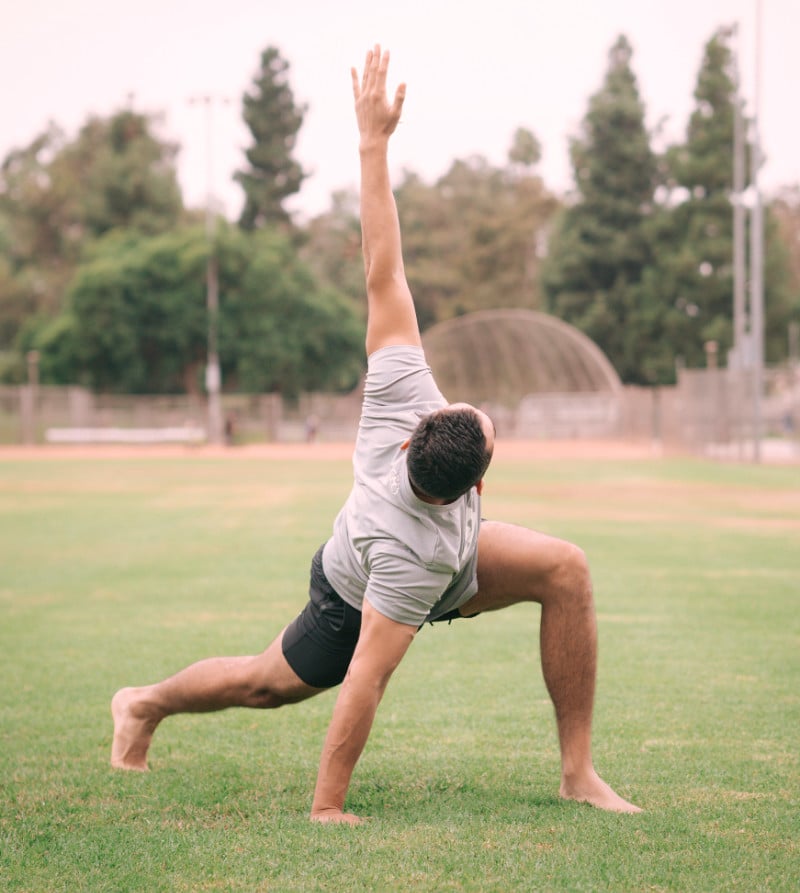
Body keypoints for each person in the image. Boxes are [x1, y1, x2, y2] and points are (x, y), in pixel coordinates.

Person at [111, 45, 641, 822]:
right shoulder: (408, 555)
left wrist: (372, 143)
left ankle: (578, 772)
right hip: (357, 587)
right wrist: (328, 805)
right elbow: (367, 675)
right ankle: (144, 702)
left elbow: (383, 269)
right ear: (470, 481)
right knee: (265, 683)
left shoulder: (401, 392)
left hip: (452, 559)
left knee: (566, 567)